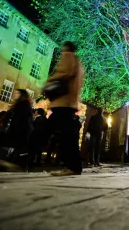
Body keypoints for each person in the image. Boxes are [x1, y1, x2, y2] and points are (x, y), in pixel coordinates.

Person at [47, 41, 84, 176]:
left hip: (62, 102)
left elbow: (63, 73)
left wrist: (48, 82)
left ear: (66, 48)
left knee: (46, 130)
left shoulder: (68, 57)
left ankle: (20, 158)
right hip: (69, 103)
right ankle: (74, 166)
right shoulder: (79, 63)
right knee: (68, 136)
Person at [0, 89, 34, 166]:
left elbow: (25, 121)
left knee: (11, 150)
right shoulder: (20, 104)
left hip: (17, 133)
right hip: (13, 132)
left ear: (22, 95)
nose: (14, 94)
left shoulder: (24, 105)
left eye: (17, 93)